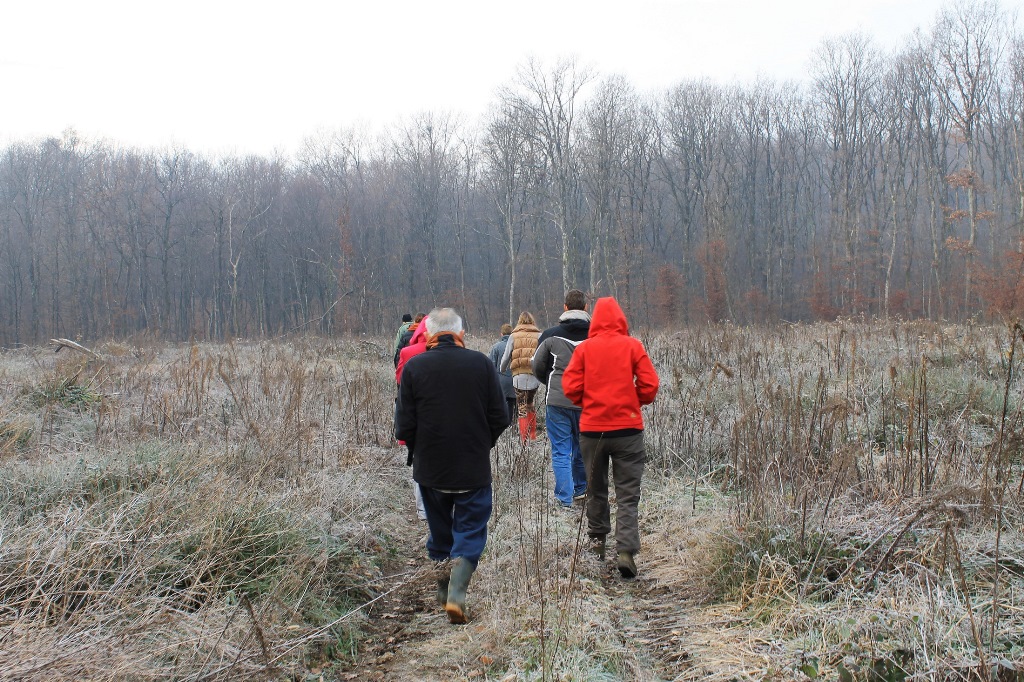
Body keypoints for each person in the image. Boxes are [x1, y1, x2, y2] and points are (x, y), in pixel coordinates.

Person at [395, 308, 510, 623]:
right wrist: (482, 442)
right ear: (461, 334)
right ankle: (458, 590)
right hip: (471, 466)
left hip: (430, 469)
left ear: (428, 335)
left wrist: (419, 447)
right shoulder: (481, 364)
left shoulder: (414, 367)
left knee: (440, 532)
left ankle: (444, 589)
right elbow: (501, 416)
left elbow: (403, 427)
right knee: (471, 528)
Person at [562, 297, 659, 579]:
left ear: (595, 321)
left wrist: (589, 403)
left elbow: (570, 387)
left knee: (595, 489)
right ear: (621, 319)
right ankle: (626, 551)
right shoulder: (632, 346)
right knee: (628, 494)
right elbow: (650, 385)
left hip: (592, 431)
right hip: (628, 431)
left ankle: (597, 546)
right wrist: (633, 402)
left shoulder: (585, 349)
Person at [532, 289, 591, 509]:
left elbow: (536, 366)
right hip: (587, 401)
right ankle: (581, 489)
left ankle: (563, 499)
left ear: (565, 307)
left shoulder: (550, 335)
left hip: (557, 401)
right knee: (582, 447)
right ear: (586, 308)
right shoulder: (596, 335)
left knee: (561, 450)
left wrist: (550, 383)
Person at [395, 316, 430, 521]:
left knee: (420, 459)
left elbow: (399, 379)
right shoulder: (457, 353)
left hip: (417, 414)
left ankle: (422, 509)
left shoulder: (408, 352)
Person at [499, 311, 542, 442]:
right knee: (530, 403)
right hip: (534, 375)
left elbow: (506, 356)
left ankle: (524, 438)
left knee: (521, 405)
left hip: (518, 376)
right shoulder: (539, 335)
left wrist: (502, 369)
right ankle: (533, 435)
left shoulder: (514, 336)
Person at [488, 323, 517, 425]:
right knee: (517, 405)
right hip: (517, 379)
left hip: (501, 381)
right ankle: (516, 427)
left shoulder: (496, 347)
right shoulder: (517, 345)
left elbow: (491, 366)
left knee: (504, 405)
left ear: (501, 334)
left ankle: (506, 426)